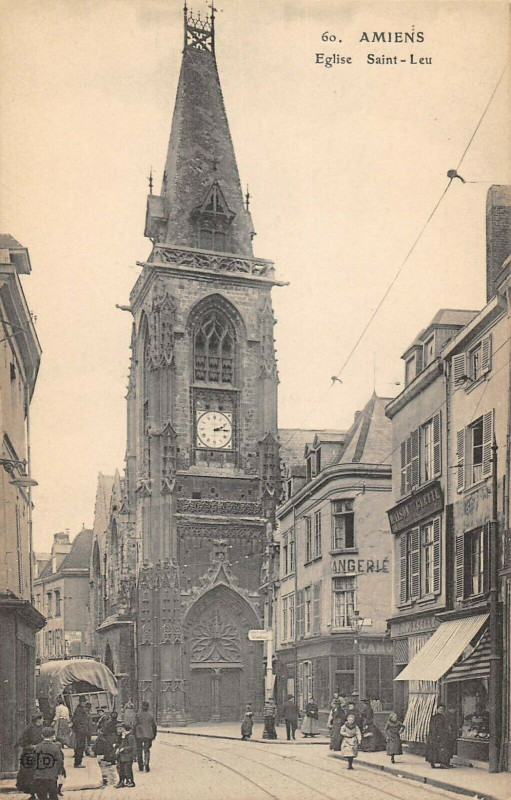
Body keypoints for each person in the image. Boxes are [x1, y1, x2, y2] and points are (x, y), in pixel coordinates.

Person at [16, 711, 44, 799]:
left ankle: (37, 793)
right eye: (42, 719)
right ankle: (32, 794)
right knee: (30, 775)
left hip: (39, 755)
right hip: (29, 755)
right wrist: (31, 746)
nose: (43, 720)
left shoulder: (42, 728)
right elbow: (21, 742)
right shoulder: (29, 729)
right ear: (38, 720)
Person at [32, 727, 65, 800]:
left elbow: (33, 761)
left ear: (42, 736)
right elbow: (60, 762)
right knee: (53, 796)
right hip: (51, 777)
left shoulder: (37, 747)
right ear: (53, 736)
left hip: (39, 776)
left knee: (42, 797)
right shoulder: (55, 748)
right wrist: (58, 771)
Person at [425, 703, 453, 768]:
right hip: (435, 736)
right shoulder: (434, 717)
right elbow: (433, 727)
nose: (441, 710)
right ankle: (433, 762)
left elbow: (446, 726)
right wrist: (436, 735)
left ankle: (443, 763)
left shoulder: (444, 717)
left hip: (443, 736)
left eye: (442, 709)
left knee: (442, 750)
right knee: (435, 750)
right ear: (437, 709)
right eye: (440, 709)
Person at [134, 701, 157, 772]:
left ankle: (140, 765)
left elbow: (134, 725)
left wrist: (134, 733)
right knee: (147, 750)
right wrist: (154, 735)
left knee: (139, 750)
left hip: (139, 735)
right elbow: (154, 726)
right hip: (148, 735)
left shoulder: (138, 715)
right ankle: (146, 763)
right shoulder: (151, 715)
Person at [115, 723, 137, 788]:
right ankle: (121, 781)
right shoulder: (122, 736)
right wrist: (118, 748)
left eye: (121, 729)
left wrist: (123, 749)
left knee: (127, 770)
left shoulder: (130, 737)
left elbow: (132, 747)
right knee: (120, 769)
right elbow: (120, 744)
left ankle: (130, 782)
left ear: (125, 729)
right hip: (121, 756)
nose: (120, 730)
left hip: (128, 757)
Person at [71, 696, 88, 768]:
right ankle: (78, 763)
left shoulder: (78, 709)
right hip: (80, 731)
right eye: (84, 702)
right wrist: (82, 729)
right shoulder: (80, 710)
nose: (85, 703)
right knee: (80, 747)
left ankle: (78, 762)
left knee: (80, 746)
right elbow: (78, 721)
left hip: (80, 730)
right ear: (82, 702)